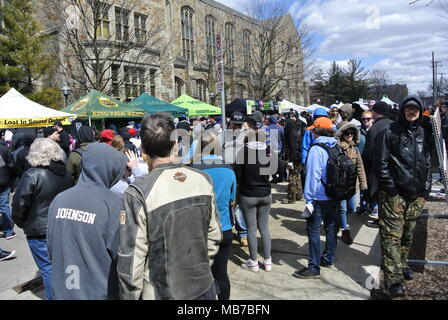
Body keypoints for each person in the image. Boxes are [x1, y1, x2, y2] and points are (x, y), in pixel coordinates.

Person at [118, 113, 221, 300]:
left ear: (142, 150)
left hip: (167, 291)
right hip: (201, 287)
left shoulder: (138, 193)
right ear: (175, 145)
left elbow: (131, 261)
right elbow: (214, 236)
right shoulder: (202, 180)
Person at [47, 142, 127, 300]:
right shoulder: (114, 205)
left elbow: (51, 247)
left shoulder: (59, 199)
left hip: (63, 290)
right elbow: (122, 256)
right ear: (112, 171)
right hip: (100, 291)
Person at [374, 95, 431, 298]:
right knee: (391, 238)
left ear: (420, 111)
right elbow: (380, 164)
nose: (412, 112)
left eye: (415, 109)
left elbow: (427, 160)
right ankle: (394, 279)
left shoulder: (423, 133)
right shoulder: (389, 132)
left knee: (407, 235)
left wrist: (426, 189)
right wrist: (391, 189)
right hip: (394, 196)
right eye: (408, 108)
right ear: (402, 110)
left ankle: (403, 264)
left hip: (415, 196)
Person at [12, 138, 74, 300]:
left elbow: (19, 206)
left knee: (48, 268)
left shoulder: (32, 175)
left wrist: (22, 223)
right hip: (62, 225)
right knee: (62, 265)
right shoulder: (65, 173)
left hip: (39, 231)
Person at [191, 130, 236, 300]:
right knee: (221, 274)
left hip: (200, 230)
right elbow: (232, 200)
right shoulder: (228, 170)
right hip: (223, 227)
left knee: (202, 277)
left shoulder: (193, 169)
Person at [294, 117, 340, 279]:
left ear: (318, 130)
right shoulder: (336, 144)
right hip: (334, 194)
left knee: (313, 230)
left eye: (313, 129)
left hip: (319, 196)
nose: (312, 132)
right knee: (330, 228)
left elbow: (312, 176)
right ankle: (328, 258)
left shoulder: (316, 149)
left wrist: (308, 199)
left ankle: (314, 267)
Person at [235, 117, 273, 273]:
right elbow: (273, 171)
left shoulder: (243, 152)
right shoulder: (267, 150)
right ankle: (268, 261)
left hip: (248, 194)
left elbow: (237, 175)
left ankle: (254, 261)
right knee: (264, 227)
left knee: (251, 229)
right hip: (265, 193)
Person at [362, 101, 393, 227]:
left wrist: (366, 167)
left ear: (375, 112)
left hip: (377, 169)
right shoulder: (393, 125)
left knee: (379, 196)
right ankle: (385, 220)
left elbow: (369, 151)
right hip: (392, 168)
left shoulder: (374, 128)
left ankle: (382, 221)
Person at [336, 124, 368, 245]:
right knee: (343, 208)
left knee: (352, 208)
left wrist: (363, 184)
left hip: (353, 186)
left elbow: (360, 167)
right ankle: (345, 230)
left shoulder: (355, 149)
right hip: (340, 185)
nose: (349, 135)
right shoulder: (337, 148)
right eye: (347, 133)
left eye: (352, 133)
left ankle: (338, 220)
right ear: (342, 134)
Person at [282, 111, 303, 204]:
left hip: (294, 158)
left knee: (292, 177)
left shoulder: (291, 133)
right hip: (298, 157)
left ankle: (291, 197)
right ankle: (298, 194)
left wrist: (290, 161)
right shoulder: (296, 131)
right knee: (297, 176)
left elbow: (292, 148)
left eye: (285, 124)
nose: (284, 126)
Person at [0, 141, 15, 240]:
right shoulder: (4, 149)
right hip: (3, 181)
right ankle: (8, 231)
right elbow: (11, 166)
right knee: (4, 205)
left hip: (3, 180)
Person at [266, 115, 285, 183]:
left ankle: (274, 177)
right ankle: (281, 177)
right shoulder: (280, 128)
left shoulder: (267, 128)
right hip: (279, 148)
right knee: (280, 163)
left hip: (271, 149)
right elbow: (283, 138)